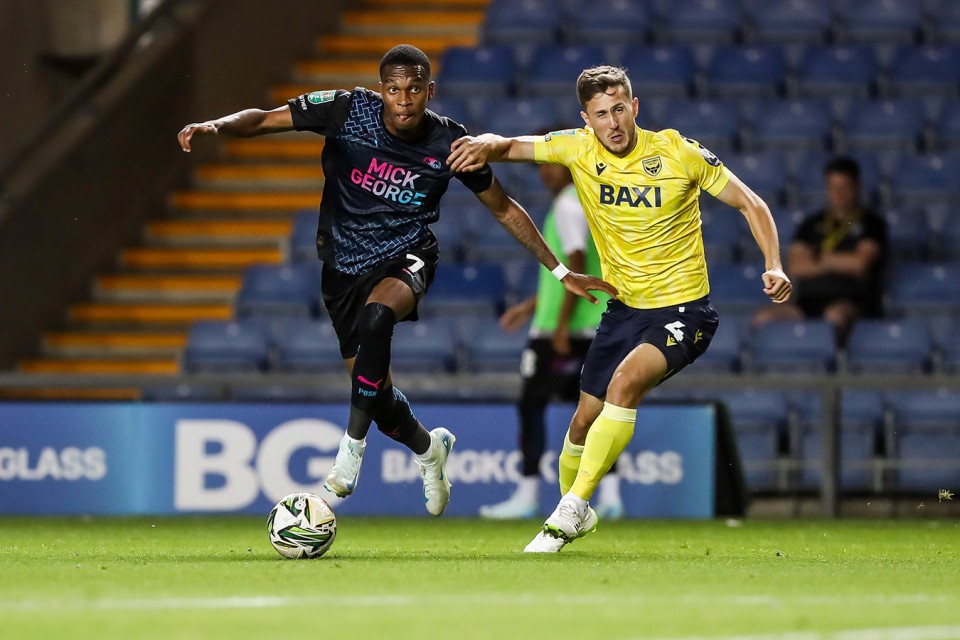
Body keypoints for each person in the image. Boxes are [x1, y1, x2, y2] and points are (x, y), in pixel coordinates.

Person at [178, 45, 615, 517]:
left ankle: (349, 453)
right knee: (378, 395)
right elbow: (264, 119)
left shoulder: (450, 144)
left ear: (430, 91)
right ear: (379, 89)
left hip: (408, 256)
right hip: (342, 268)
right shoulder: (346, 110)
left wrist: (559, 270)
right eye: (393, 89)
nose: (403, 100)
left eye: (413, 90)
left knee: (378, 316)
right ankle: (429, 450)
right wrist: (217, 126)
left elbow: (504, 208)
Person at [448, 65, 792, 552]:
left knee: (624, 384)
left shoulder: (679, 152)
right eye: (600, 114)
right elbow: (508, 146)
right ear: (585, 118)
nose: (612, 123)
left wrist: (774, 264)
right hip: (624, 311)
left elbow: (751, 204)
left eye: (618, 110)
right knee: (582, 422)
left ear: (634, 107)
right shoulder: (576, 147)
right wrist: (483, 142)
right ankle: (577, 505)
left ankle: (566, 515)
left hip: (684, 310)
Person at [478, 130, 622, 520]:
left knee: (531, 405)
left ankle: (527, 496)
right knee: (600, 408)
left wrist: (559, 326)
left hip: (565, 332)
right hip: (596, 323)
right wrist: (528, 307)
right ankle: (610, 495)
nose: (542, 172)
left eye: (548, 164)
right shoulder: (591, 200)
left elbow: (574, 262)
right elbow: (577, 275)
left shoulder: (568, 204)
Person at [752, 157, 887, 343]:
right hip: (808, 302)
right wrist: (839, 261)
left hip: (852, 300)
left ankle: (835, 366)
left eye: (844, 187)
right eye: (833, 187)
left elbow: (859, 264)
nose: (838, 194)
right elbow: (796, 267)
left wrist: (818, 258)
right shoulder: (812, 223)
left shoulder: (872, 223)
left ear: (857, 186)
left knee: (834, 316)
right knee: (764, 318)